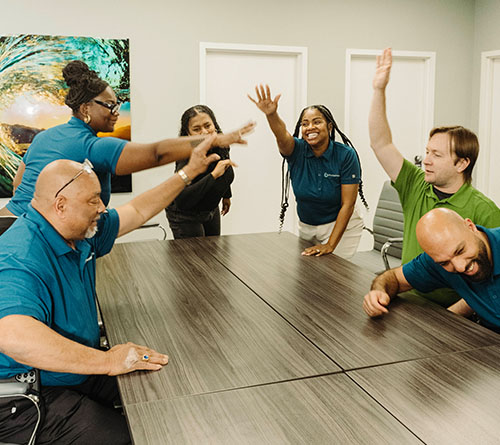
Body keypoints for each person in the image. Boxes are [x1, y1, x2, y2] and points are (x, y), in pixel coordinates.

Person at [0, 135, 223, 444]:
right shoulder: (18, 255)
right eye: (94, 200)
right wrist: (107, 361)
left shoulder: (79, 229)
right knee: (133, 436)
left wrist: (187, 173)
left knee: (163, 386)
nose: (102, 208)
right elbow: (13, 336)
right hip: (26, 394)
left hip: (74, 371)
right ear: (60, 204)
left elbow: (138, 211)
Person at [0, 60, 254, 217]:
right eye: (110, 105)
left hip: (7, 221)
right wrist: (216, 139)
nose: (116, 112)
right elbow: (157, 153)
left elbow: (18, 184)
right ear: (86, 108)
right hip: (26, 240)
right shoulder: (90, 145)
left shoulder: (46, 137)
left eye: (117, 104)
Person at [369, 47, 500, 306]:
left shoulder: (484, 211)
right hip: (409, 298)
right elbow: (380, 144)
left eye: (436, 155)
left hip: (453, 312)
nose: (426, 160)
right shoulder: (415, 183)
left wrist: (453, 316)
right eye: (427, 151)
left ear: (462, 163)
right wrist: (378, 90)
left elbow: (489, 287)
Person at [248, 84, 367, 259]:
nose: (310, 127)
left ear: (330, 126)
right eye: (305, 124)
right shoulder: (296, 150)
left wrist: (330, 245)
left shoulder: (345, 155)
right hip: (307, 225)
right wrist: (271, 114)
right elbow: (281, 135)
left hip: (341, 225)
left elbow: (347, 205)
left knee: (333, 274)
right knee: (309, 276)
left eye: (317, 122)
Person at [363, 208, 500, 332]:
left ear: (471, 227)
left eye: (460, 251)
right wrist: (379, 292)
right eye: (445, 262)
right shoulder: (440, 261)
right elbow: (394, 278)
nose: (459, 266)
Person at [166, 105, 237, 238]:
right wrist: (213, 175)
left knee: (213, 253)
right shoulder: (185, 155)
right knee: (196, 257)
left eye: (207, 126)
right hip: (185, 214)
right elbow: (182, 198)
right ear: (188, 133)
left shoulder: (221, 145)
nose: (204, 132)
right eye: (196, 129)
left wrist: (226, 195)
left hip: (209, 208)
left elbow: (225, 169)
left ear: (214, 125)